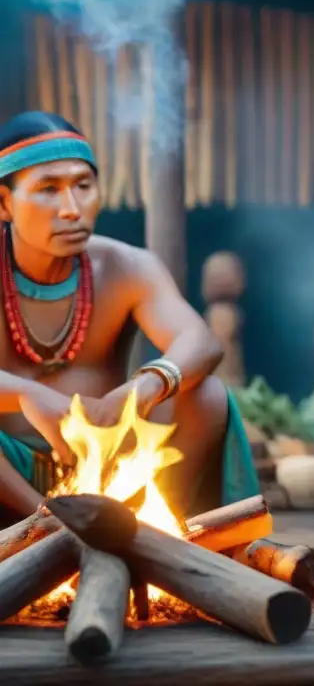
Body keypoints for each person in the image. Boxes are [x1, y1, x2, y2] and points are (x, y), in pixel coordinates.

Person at [0, 111, 259, 523]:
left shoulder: (126, 266)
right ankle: (41, 522)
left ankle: (158, 530)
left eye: (83, 186)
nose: (72, 208)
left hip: (113, 463)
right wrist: (28, 394)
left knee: (206, 394)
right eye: (48, 189)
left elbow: (200, 341)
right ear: (4, 203)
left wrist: (143, 388)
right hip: (9, 476)